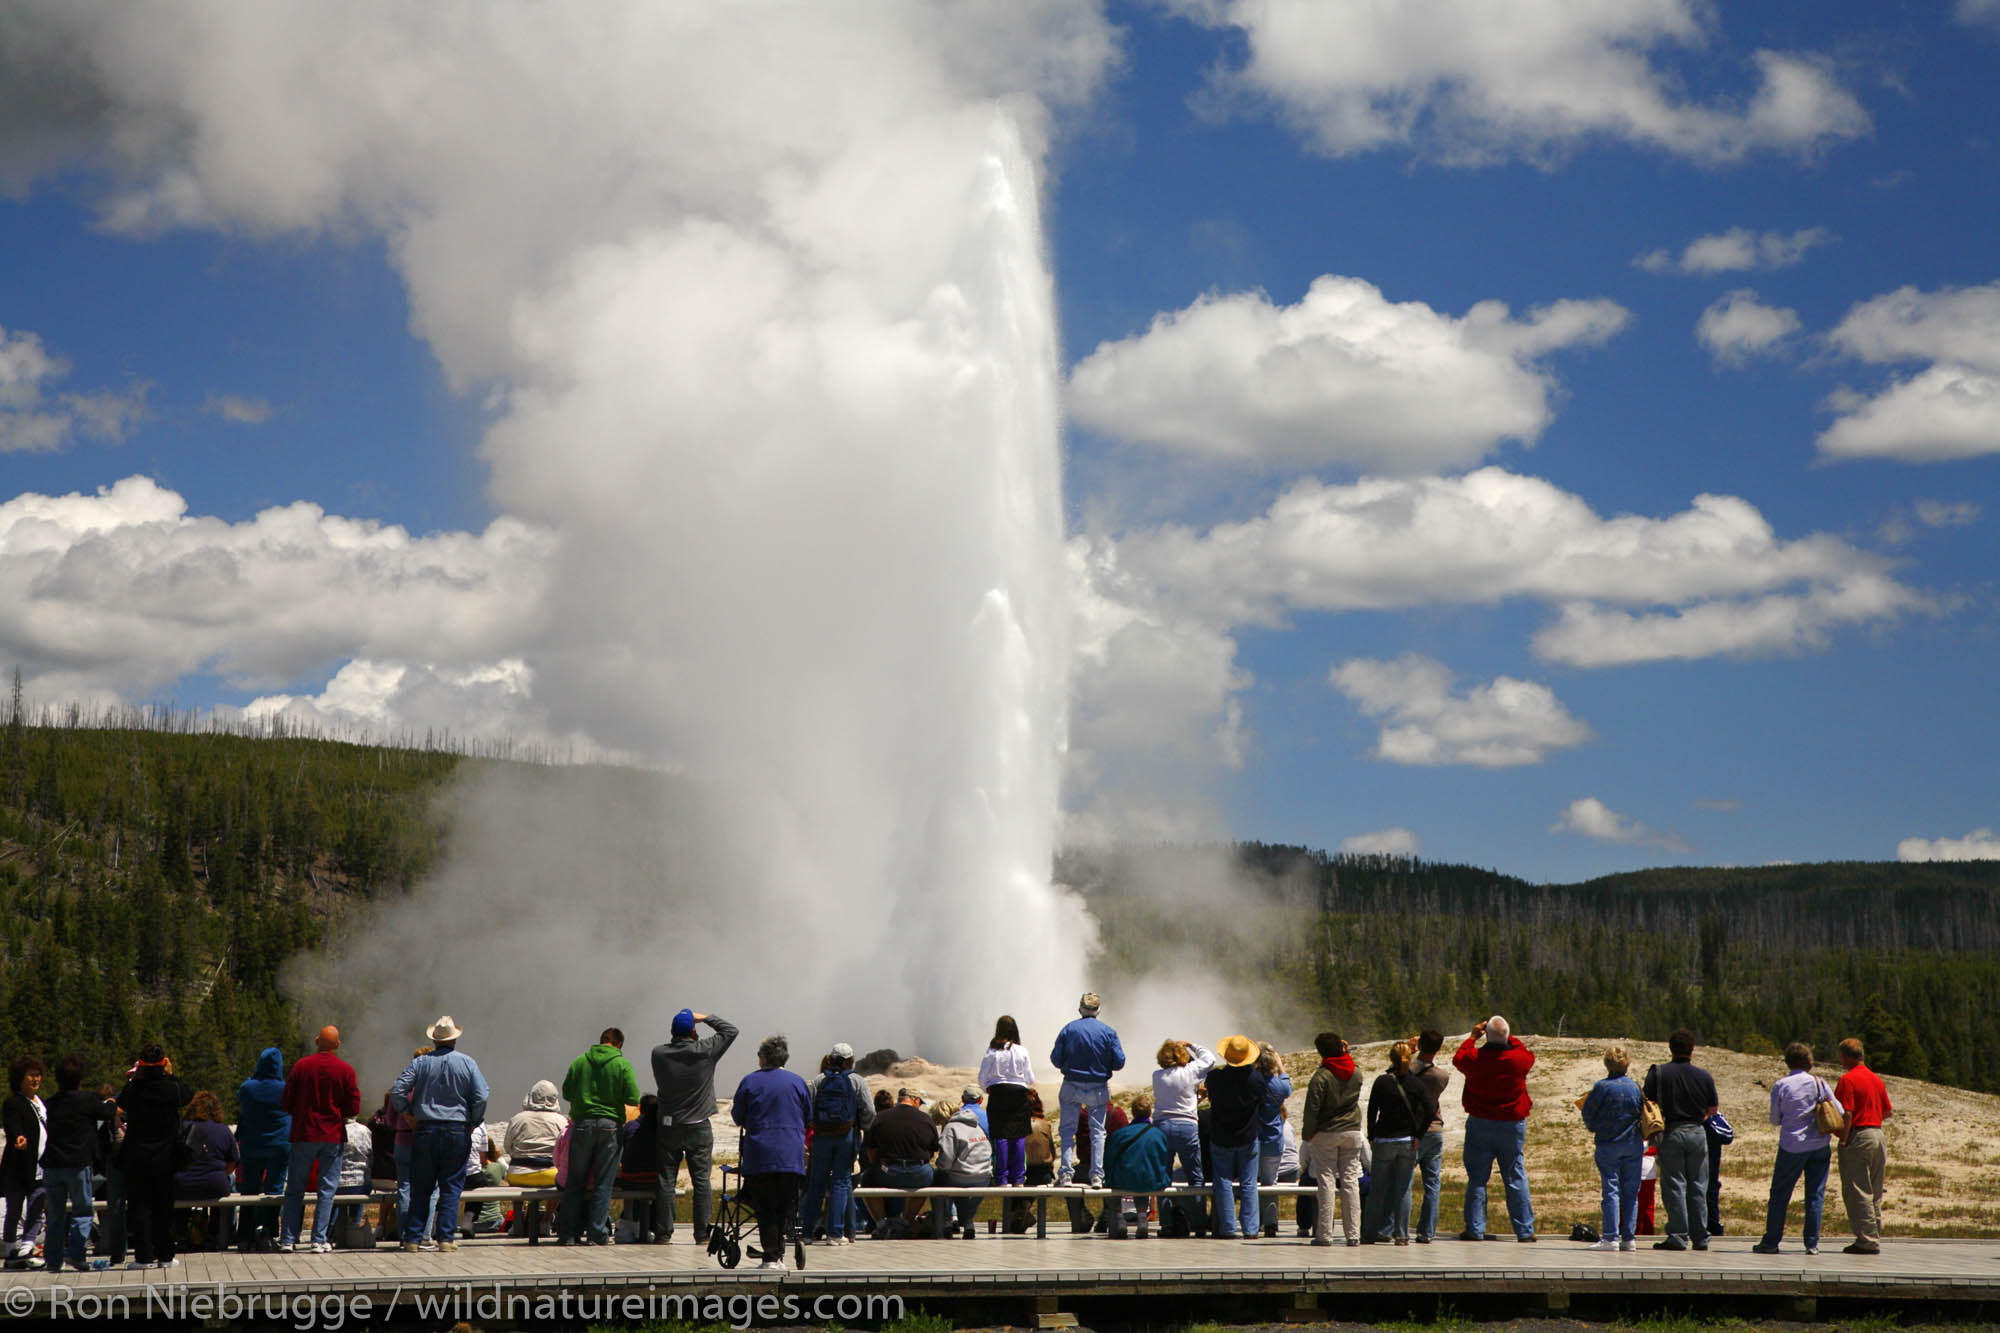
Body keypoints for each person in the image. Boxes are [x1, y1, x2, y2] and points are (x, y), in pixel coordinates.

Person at [390, 1015, 490, 1254]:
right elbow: (481, 1096)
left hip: (425, 1129)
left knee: (421, 1187)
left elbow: (398, 1091)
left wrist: (408, 1114)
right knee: (451, 1187)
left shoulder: (420, 1063)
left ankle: (413, 1238)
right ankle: (445, 1238)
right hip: (457, 1129)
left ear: (434, 1040)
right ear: (455, 1039)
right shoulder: (468, 1063)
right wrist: (473, 1122)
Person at [650, 1008, 736, 1244]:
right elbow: (730, 1031)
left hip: (669, 1126)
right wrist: (707, 1017)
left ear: (671, 1032)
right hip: (698, 1125)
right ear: (693, 1031)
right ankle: (700, 1234)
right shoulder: (705, 1052)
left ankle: (664, 1233)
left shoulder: (658, 1054)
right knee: (701, 1180)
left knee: (666, 1180)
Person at [729, 1034, 809, 1271]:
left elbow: (737, 1116)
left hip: (761, 1154)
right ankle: (780, 1255)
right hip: (791, 1154)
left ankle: (771, 1257)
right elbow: (808, 1116)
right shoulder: (798, 1082)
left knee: (765, 1206)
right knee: (784, 1205)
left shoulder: (750, 1082)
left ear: (763, 1058)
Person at [279, 1025, 361, 1255]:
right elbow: (354, 1105)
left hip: (304, 1133)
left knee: (295, 1188)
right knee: (327, 1189)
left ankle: (287, 1238)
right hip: (332, 1135)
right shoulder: (345, 1070)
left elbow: (286, 1101)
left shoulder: (301, 1066)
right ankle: (318, 1239)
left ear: (317, 1041)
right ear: (337, 1045)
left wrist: (302, 1113)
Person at [1455, 1016, 1536, 1242]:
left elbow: (1458, 1058)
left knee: (1478, 1178)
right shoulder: (1518, 1059)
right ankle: (1525, 1231)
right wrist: (1507, 1036)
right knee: (1515, 1176)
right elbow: (1527, 1053)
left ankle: (1475, 1229)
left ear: (1486, 1035)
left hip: (1480, 1122)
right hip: (1511, 1124)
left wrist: (1472, 1037)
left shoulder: (1474, 1058)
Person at [559, 1026, 641, 1246]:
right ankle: (597, 1234)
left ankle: (567, 1234)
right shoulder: (622, 1064)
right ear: (619, 1044)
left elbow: (567, 1092)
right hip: (610, 1126)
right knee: (603, 1183)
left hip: (582, 1124)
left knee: (575, 1181)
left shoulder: (579, 1062)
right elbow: (633, 1097)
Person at [1643, 1027, 1718, 1252]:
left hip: (1672, 1131)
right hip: (1697, 1131)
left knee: (1674, 1184)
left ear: (1670, 1048)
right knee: (1698, 1185)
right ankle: (1701, 1236)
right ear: (1692, 1049)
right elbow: (1713, 1109)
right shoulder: (1704, 1076)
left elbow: (1649, 1103)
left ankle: (1678, 1235)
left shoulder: (1658, 1073)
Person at [1754, 1041, 1833, 1256]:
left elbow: (1774, 1119)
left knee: (1780, 1194)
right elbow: (1839, 1109)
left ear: (1788, 1061)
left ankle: (1771, 1241)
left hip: (1792, 1145)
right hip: (1819, 1143)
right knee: (1815, 1194)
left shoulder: (1782, 1085)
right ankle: (1811, 1243)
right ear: (1809, 1061)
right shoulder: (1819, 1083)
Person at [116, 1044, 191, 1269]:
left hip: (138, 1155)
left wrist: (136, 1077)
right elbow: (186, 1094)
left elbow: (121, 1101)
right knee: (164, 1207)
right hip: (166, 1156)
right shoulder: (172, 1088)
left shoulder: (134, 1089)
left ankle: (143, 1257)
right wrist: (171, 1074)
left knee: (140, 1206)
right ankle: (166, 1255)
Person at [38, 1055, 112, 1274]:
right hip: (78, 1163)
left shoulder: (50, 1103)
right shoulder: (87, 1100)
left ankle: (53, 1260)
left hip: (52, 1164)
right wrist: (111, 1102)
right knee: (82, 1211)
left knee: (55, 1214)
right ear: (80, 1078)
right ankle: (76, 1254)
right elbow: (107, 1113)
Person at [1362, 1041, 1436, 1246]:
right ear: (1409, 1058)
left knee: (1378, 1189)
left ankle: (1369, 1233)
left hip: (1384, 1139)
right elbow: (1430, 1111)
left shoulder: (1382, 1081)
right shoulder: (1416, 1084)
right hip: (1407, 1141)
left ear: (1391, 1059)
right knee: (1403, 1190)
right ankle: (1402, 1235)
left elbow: (1372, 1111)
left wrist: (1371, 1135)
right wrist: (1419, 1135)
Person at [1050, 992, 1125, 1186]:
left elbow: (1056, 1059)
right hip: (1098, 1086)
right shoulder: (1108, 1032)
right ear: (1098, 1010)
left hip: (1071, 1084)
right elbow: (1119, 1062)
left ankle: (1066, 1174)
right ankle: (1097, 1175)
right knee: (1098, 1132)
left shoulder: (1069, 1029)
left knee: (1067, 1131)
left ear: (1080, 1008)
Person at [802, 1043, 873, 1244]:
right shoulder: (857, 1081)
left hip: (822, 1136)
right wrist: (861, 1126)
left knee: (816, 1184)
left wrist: (814, 1126)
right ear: (851, 1060)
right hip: (846, 1136)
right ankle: (835, 1234)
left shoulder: (819, 1080)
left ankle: (807, 1233)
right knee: (841, 1182)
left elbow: (808, 1109)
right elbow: (869, 1111)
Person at [1300, 1031, 1364, 1248]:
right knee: (1350, 1182)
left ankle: (1324, 1234)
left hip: (1327, 1132)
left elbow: (1312, 1109)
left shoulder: (1321, 1076)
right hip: (1352, 1131)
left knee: (1326, 1182)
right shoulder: (1355, 1072)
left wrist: (1308, 1133)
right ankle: (1353, 1234)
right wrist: (1344, 1051)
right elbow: (1347, 1065)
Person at [1205, 1034, 1271, 1240]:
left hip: (1221, 1135)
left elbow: (1211, 1098)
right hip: (1248, 1136)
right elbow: (1263, 1102)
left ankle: (1228, 1228)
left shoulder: (1215, 1077)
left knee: (1223, 1181)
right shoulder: (1256, 1079)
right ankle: (1251, 1229)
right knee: (1249, 1183)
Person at [1580, 1044, 1644, 1253]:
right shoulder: (1635, 1087)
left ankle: (1610, 1237)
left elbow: (1588, 1114)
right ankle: (1629, 1237)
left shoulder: (1601, 1087)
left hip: (1609, 1143)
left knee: (1611, 1190)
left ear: (1607, 1063)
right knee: (1631, 1192)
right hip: (1633, 1143)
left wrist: (1594, 1127)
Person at [1833, 1036, 1893, 1255]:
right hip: (1878, 1134)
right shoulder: (1876, 1079)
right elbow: (1887, 1111)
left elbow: (1846, 1113)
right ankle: (1874, 1233)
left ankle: (1866, 1241)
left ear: (1846, 1056)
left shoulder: (1848, 1080)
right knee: (1875, 1191)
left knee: (1858, 1190)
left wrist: (1843, 1138)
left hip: (1858, 1135)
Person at [234, 1047, 290, 1251]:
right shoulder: (285, 1088)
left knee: (249, 1189)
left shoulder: (248, 1087)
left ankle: (245, 1236)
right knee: (274, 1189)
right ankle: (268, 1233)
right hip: (279, 1144)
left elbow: (240, 1098)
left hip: (252, 1144)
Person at [174, 1090, 240, 1250]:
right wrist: (218, 1174)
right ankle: (219, 1232)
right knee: (230, 1182)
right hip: (214, 1185)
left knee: (179, 1186)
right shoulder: (223, 1130)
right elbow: (233, 1162)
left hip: (182, 1185)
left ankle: (179, 1233)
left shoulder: (181, 1128)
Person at [863, 1089, 939, 1224]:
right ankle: (907, 1221)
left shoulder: (881, 1117)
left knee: (868, 1178)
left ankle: (881, 1222)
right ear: (915, 1100)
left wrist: (878, 1165)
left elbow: (871, 1149)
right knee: (927, 1178)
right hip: (918, 1172)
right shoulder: (926, 1119)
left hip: (888, 1172)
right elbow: (932, 1151)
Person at [1151, 1038, 1216, 1193]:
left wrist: (1196, 1099)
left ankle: (1166, 1216)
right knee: (1195, 1176)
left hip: (1162, 1126)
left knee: (1163, 1178)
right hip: (1186, 1125)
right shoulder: (1190, 1071)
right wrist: (1192, 1045)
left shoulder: (1157, 1076)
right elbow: (1210, 1059)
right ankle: (1198, 1214)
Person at [1103, 1094, 1171, 1239]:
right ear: (1150, 1112)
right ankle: (1142, 1217)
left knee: (1117, 1180)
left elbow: (1108, 1161)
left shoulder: (1119, 1134)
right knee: (1144, 1176)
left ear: (1133, 1112)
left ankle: (1119, 1218)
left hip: (1124, 1180)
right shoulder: (1159, 1134)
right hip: (1151, 1180)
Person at [502, 1081, 564, 1239]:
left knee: (519, 1186)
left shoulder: (518, 1119)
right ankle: (547, 1219)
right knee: (560, 1178)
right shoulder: (560, 1121)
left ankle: (518, 1220)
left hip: (518, 1174)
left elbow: (508, 1147)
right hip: (550, 1174)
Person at [978, 1017, 1035, 1188]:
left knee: (1000, 1135)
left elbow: (982, 1077)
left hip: (998, 1093)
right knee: (1018, 1135)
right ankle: (1018, 1178)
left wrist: (987, 1088)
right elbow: (1030, 1078)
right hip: (1018, 1093)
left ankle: (1002, 1178)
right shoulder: (1022, 1051)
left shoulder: (991, 1051)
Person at [2, 1055, 47, 1270]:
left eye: (38, 1075)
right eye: (31, 1075)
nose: (35, 1079)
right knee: (14, 1210)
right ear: (20, 1078)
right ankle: (11, 1249)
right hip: (18, 1168)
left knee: (37, 1206)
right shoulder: (14, 1103)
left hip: (40, 1166)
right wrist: (18, 1136)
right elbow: (13, 1124)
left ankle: (27, 1247)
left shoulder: (40, 1103)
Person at [935, 1086, 993, 1236]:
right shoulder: (981, 1124)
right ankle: (967, 1221)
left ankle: (947, 1221)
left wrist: (942, 1168)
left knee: (940, 1178)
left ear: (962, 1100)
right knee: (963, 1184)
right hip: (984, 1176)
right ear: (981, 1100)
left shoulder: (951, 1127)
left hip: (960, 1177)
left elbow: (946, 1161)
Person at [1410, 1028, 1450, 1244]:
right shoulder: (1442, 1076)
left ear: (1420, 1045)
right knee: (1432, 1183)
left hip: (1412, 1130)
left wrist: (1409, 1051)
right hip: (1434, 1129)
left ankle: (1398, 1229)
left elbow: (1397, 1072)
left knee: (1405, 1182)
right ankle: (1427, 1232)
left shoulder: (1409, 1071)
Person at [1253, 1044, 1294, 1238]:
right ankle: (1270, 1224)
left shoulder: (1253, 1082)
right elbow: (1288, 1085)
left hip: (1253, 1140)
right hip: (1273, 1140)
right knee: (1270, 1183)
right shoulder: (1280, 1086)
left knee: (1250, 1183)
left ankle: (1253, 1222)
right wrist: (1280, 1064)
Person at [617, 1093, 661, 1242]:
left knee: (634, 1186)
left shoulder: (630, 1126)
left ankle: (629, 1223)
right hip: (655, 1179)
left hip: (630, 1179)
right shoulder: (661, 1130)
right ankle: (652, 1226)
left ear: (640, 1109)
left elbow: (620, 1153)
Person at [337, 1111, 374, 1240]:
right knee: (357, 1201)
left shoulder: (336, 1130)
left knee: (334, 1203)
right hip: (361, 1182)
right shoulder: (365, 1130)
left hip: (337, 1183)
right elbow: (370, 1153)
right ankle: (354, 1227)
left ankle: (331, 1231)